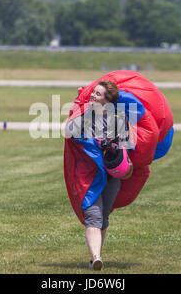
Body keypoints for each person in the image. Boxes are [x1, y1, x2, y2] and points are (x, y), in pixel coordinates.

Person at [66, 80, 132, 270]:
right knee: (93, 216)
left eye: (98, 94)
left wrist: (113, 146)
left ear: (107, 100)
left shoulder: (119, 119)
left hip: (111, 177)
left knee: (103, 218)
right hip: (89, 176)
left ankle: (96, 256)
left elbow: (128, 149)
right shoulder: (84, 116)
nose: (93, 95)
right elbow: (69, 132)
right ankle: (96, 257)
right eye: (93, 92)